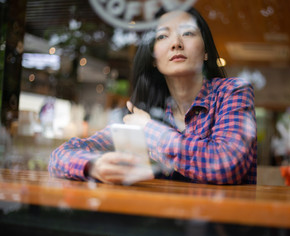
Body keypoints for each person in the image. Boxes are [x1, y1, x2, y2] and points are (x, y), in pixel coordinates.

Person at [48, 7, 257, 185]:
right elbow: (61, 155)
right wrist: (92, 165)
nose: (176, 43)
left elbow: (227, 163)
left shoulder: (232, 92)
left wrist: (150, 130)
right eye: (162, 36)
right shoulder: (146, 110)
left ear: (206, 52)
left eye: (188, 33)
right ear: (154, 59)